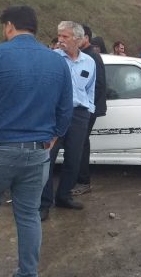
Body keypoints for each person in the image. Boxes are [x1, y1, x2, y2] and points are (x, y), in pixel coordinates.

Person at [0, 6, 73, 277]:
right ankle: (27, 272)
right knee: (28, 215)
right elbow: (66, 108)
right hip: (36, 153)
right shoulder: (57, 61)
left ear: (9, 26)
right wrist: (54, 135)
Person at [40, 21, 96, 221]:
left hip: (79, 115)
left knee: (74, 159)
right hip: (55, 115)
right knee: (47, 158)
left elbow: (90, 88)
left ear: (78, 39)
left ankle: (64, 196)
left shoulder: (89, 62)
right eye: (59, 36)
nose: (60, 40)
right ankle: (44, 204)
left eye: (65, 36)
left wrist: (89, 109)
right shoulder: (51, 58)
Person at [71, 25, 107, 196]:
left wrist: (87, 106)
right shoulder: (83, 55)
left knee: (82, 144)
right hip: (85, 107)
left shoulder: (92, 57)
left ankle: (84, 181)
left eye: (78, 37)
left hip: (88, 108)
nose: (75, 40)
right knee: (80, 143)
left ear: (86, 38)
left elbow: (98, 85)